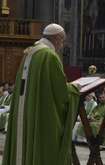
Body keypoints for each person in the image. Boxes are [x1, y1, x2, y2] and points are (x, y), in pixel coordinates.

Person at [2, 23, 80, 165]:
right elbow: (61, 93)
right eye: (62, 41)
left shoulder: (29, 52)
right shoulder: (49, 56)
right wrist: (74, 89)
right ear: (56, 38)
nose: (61, 46)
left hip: (26, 110)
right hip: (42, 115)